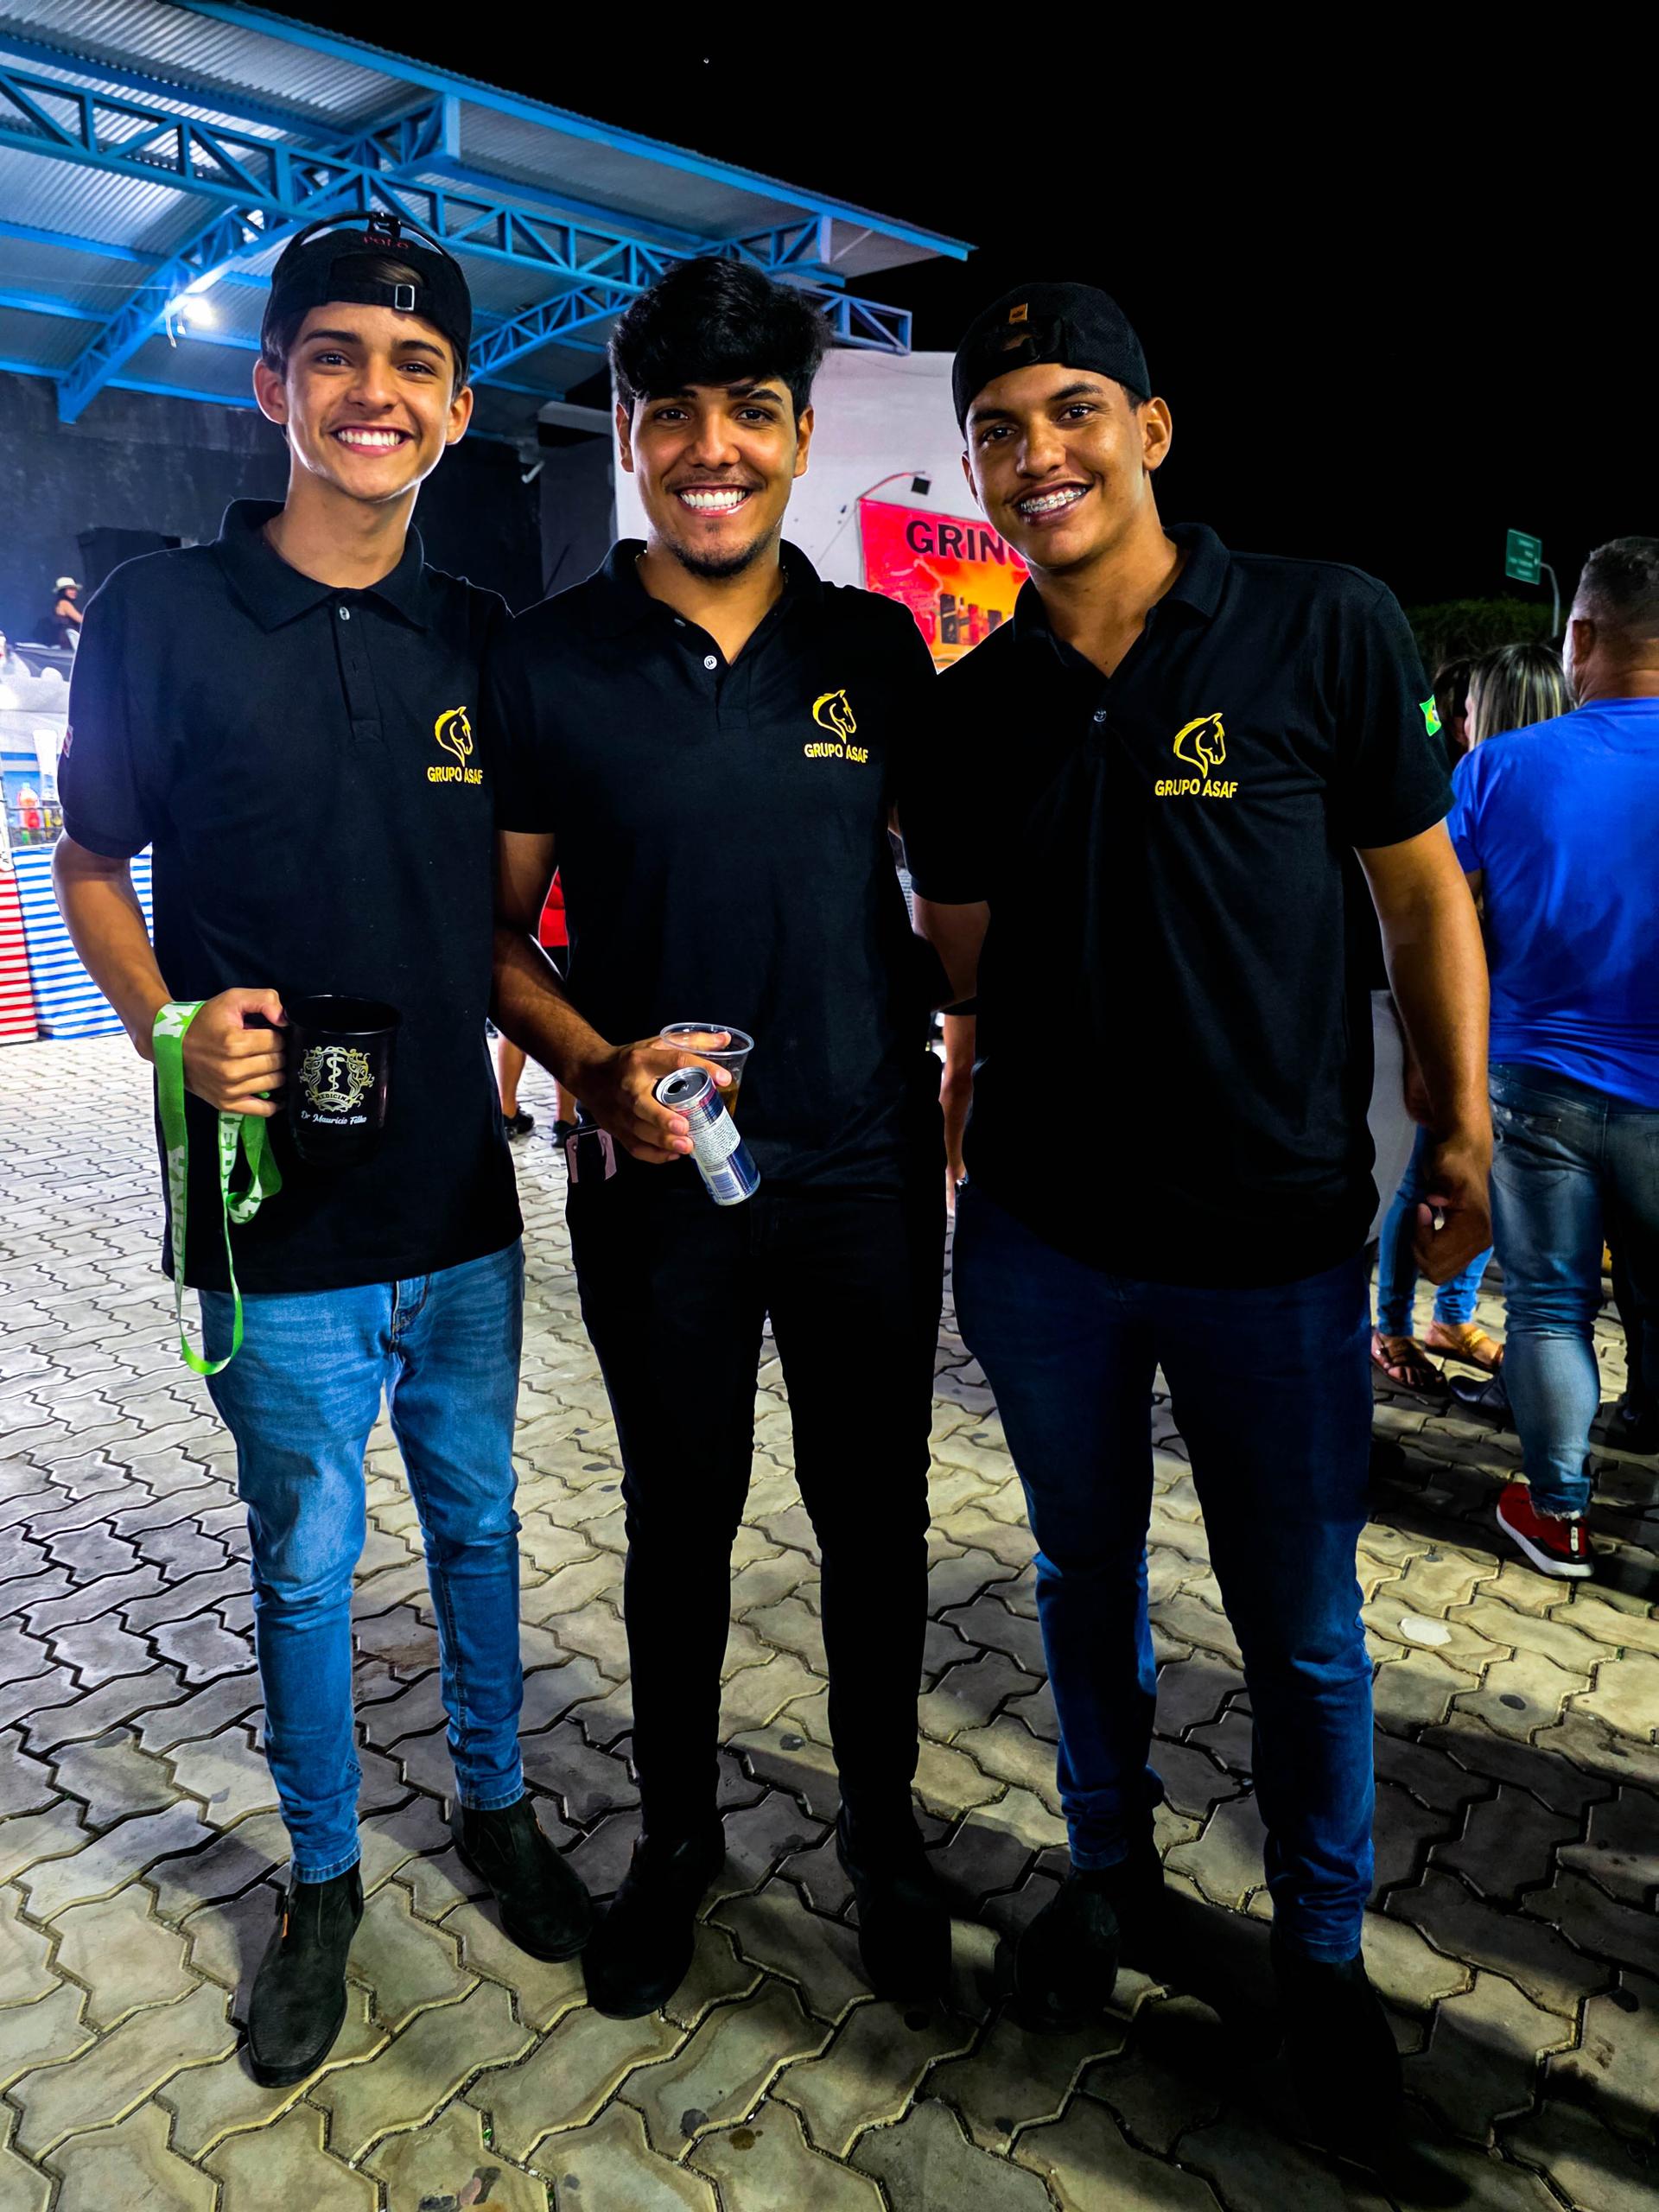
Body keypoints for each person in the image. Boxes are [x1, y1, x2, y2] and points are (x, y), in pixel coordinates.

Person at [905, 283, 1491, 2155]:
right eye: (999, 429)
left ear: (1151, 430)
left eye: (1073, 410)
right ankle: (1112, 1871)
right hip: (1046, 1240)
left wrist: (1462, 1120)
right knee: (1081, 1577)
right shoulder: (974, 707)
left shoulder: (1324, 620)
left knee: (1302, 1622)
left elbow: (1420, 893)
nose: (1038, 454)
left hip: (1273, 1242)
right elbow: (967, 961)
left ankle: (1320, 1955)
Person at [53, 213, 588, 2088]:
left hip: (457, 1202)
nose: (378, 392)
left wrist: (600, 1067)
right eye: (338, 355)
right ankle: (327, 1877)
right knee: (303, 1558)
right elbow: (90, 863)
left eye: (417, 364)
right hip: (262, 1211)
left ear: (457, 409)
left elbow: (513, 921)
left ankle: (499, 1808)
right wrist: (165, 1026)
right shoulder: (162, 618)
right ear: (272, 384)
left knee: (482, 1523)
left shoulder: (480, 641)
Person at [488, 257, 951, 2018]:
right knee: (679, 1519)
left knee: (875, 1516)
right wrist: (595, 1067)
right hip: (658, 1185)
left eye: (750, 411)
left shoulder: (871, 648)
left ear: (801, 436)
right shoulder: (551, 662)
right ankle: (678, 1839)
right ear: (627, 432)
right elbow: (492, 928)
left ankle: (885, 1839)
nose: (711, 447)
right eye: (671, 411)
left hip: (865, 1166)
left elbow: (950, 889)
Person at [1446, 539, 1659, 1576]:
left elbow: (1436, 924)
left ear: (1581, 635)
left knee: (1547, 1304)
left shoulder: (1498, 767)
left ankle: (1559, 1511)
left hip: (1537, 1081)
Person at [1370, 644, 1567, 1389]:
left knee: (1450, 1179)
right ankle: (1397, 1327)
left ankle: (1435, 1319)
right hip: (1492, 1027)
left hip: (1488, 1026)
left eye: (1471, 704)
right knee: (1448, 1176)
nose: (1459, 719)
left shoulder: (1482, 778)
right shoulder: (1477, 786)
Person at [494, 874, 575, 1139]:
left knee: (514, 1020)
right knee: (569, 1022)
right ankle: (566, 1119)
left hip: (530, 937)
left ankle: (507, 1111)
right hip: (565, 934)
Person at [42, 576, 82, 650]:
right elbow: (81, 620)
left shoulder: (59, 603)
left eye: (75, 589)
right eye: (71, 589)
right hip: (68, 639)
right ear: (63, 591)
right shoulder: (64, 603)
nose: (74, 592)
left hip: (65, 638)